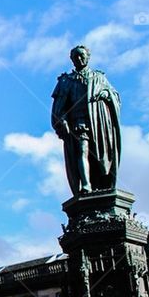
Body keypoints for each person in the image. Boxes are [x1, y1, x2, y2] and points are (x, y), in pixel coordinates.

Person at [51, 44, 121, 196]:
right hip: (78, 122)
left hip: (98, 124)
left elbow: (115, 95)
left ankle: (102, 183)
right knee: (82, 150)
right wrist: (62, 120)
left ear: (88, 57)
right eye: (76, 56)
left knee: (98, 155)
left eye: (82, 55)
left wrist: (106, 95)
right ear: (72, 59)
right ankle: (86, 185)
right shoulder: (66, 81)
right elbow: (58, 106)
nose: (79, 58)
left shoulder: (99, 77)